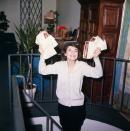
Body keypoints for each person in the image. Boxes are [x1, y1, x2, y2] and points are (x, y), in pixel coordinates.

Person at [38, 31, 103, 131]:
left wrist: (96, 58)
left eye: (75, 50)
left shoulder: (82, 66)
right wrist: (42, 55)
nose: (73, 53)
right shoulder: (59, 65)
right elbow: (42, 70)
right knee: (65, 127)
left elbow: (98, 74)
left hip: (78, 107)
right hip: (62, 106)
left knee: (75, 128)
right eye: (70, 50)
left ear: (78, 53)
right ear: (65, 53)